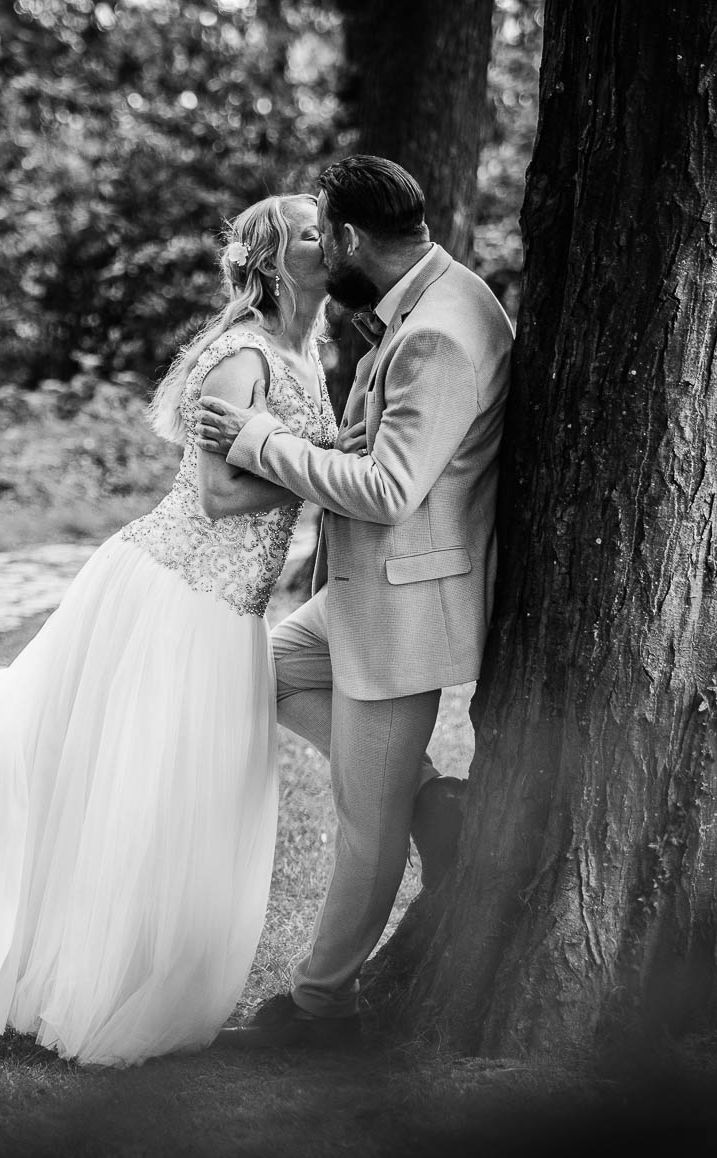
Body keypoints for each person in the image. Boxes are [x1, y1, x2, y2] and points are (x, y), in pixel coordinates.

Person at [0, 194, 337, 1067]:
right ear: (274, 261)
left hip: (233, 607)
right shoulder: (243, 358)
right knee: (128, 788)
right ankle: (90, 984)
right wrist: (327, 474)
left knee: (188, 799)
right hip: (177, 594)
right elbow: (217, 495)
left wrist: (324, 466)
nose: (331, 240)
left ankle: (148, 979)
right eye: (314, 232)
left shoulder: (308, 354)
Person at [195, 155, 513, 1047]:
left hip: (404, 607)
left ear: (347, 238)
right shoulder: (427, 297)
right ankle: (433, 803)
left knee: (364, 829)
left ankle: (320, 1008)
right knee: (257, 676)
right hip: (362, 592)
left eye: (323, 232)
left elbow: (388, 489)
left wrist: (259, 440)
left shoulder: (438, 332)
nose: (320, 248)